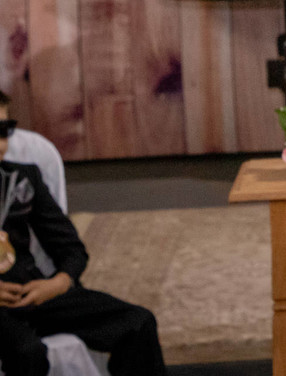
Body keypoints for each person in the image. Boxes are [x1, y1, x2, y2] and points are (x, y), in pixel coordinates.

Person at [0, 89, 167, 376]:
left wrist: (59, 282)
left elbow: (71, 248)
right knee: (27, 352)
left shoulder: (23, 178)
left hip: (33, 294)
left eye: (4, 131)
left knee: (137, 322)